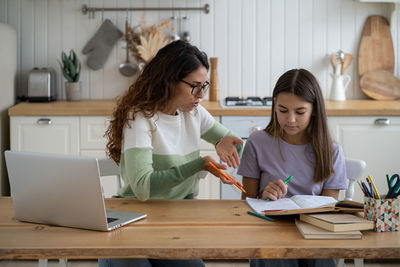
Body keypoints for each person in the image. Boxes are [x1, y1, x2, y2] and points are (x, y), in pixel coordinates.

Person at [101, 40, 243, 267]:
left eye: (204, 86)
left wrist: (232, 145)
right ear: (168, 80)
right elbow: (143, 187)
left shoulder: (194, 112)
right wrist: (198, 164)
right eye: (194, 86)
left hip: (176, 219)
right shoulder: (140, 117)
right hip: (133, 219)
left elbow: (235, 145)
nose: (200, 95)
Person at [238, 69, 347, 267]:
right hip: (270, 229)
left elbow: (330, 207)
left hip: (315, 229)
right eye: (282, 110)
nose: (290, 120)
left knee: (322, 256)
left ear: (314, 109)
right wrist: (264, 199)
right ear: (274, 105)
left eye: (299, 112)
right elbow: (247, 202)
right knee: (273, 254)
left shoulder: (331, 150)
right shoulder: (257, 142)